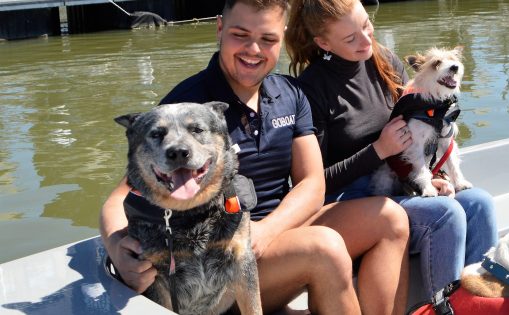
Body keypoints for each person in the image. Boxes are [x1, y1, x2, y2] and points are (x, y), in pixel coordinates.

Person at [100, 0, 411, 314]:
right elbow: (122, 195)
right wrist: (115, 247)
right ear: (220, 28)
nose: (253, 49)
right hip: (219, 260)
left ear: (283, 36)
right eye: (240, 34)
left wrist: (267, 231)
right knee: (323, 247)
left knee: (391, 219)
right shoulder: (187, 105)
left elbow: (312, 184)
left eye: (268, 39)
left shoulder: (291, 94)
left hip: (274, 232)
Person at [285, 0, 498, 299]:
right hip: (348, 200)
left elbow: (414, 135)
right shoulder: (310, 89)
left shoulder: (383, 60)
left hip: (396, 182)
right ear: (324, 43)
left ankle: (482, 303)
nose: (366, 39)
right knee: (445, 214)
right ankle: (445, 307)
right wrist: (378, 149)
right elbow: (315, 183)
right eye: (351, 38)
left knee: (479, 203)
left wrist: (422, 176)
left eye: (366, 25)